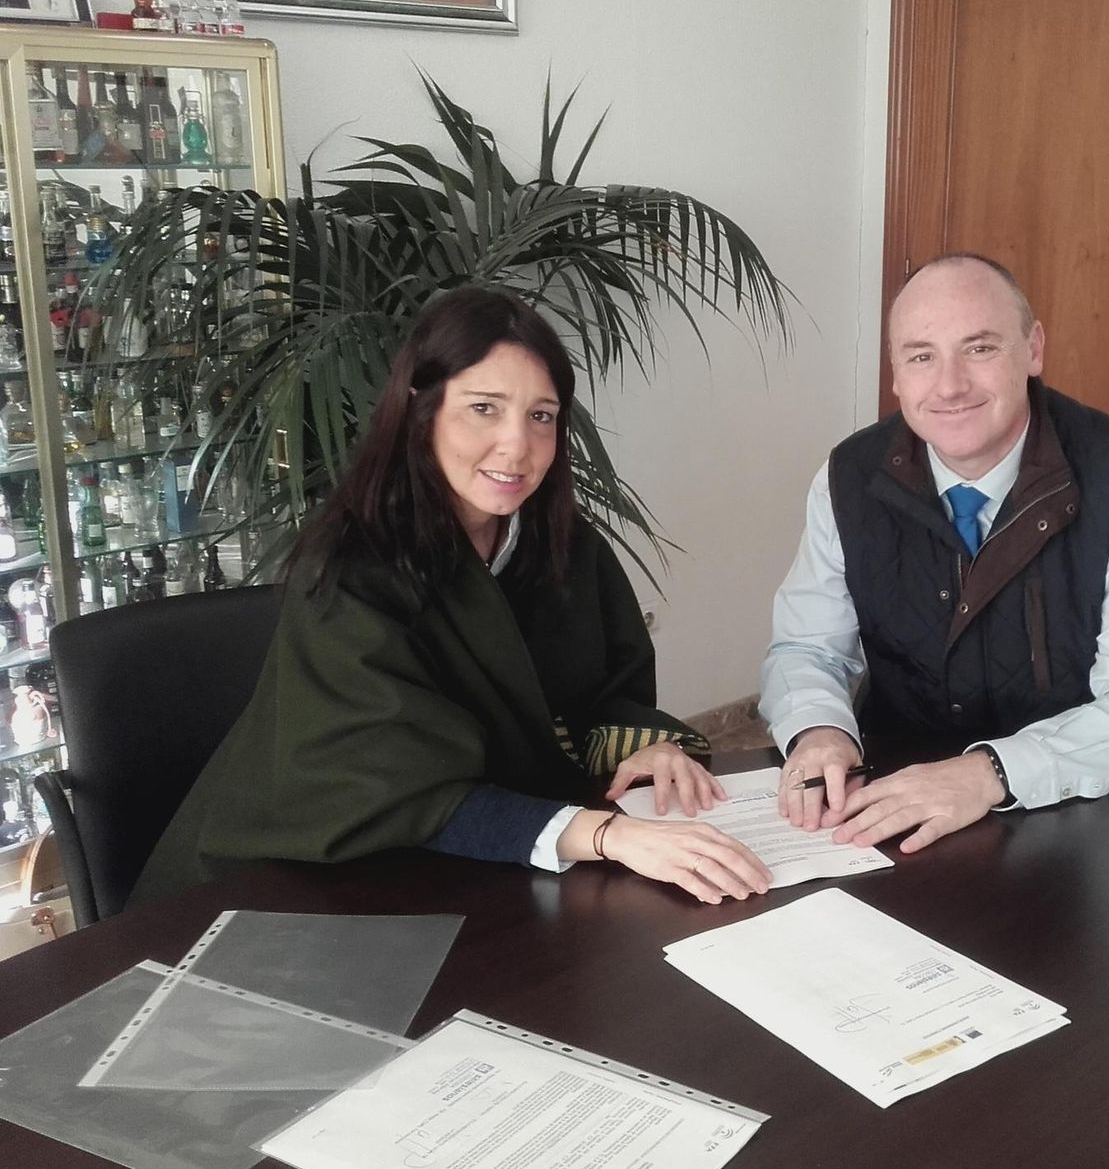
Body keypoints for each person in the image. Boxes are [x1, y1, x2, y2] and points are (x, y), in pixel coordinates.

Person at [136, 287, 770, 906]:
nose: (516, 446)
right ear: (422, 410)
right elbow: (392, 789)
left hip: (484, 867)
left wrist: (647, 749)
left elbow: (599, 697)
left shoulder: (567, 549)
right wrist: (607, 835)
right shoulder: (353, 570)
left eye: (541, 416)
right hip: (289, 884)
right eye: (484, 408)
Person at [759, 253, 1109, 852]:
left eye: (980, 348)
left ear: (1033, 349)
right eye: (921, 356)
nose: (950, 386)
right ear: (896, 374)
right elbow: (806, 648)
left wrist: (988, 772)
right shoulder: (847, 477)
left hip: (1081, 812)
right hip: (899, 803)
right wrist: (818, 730)